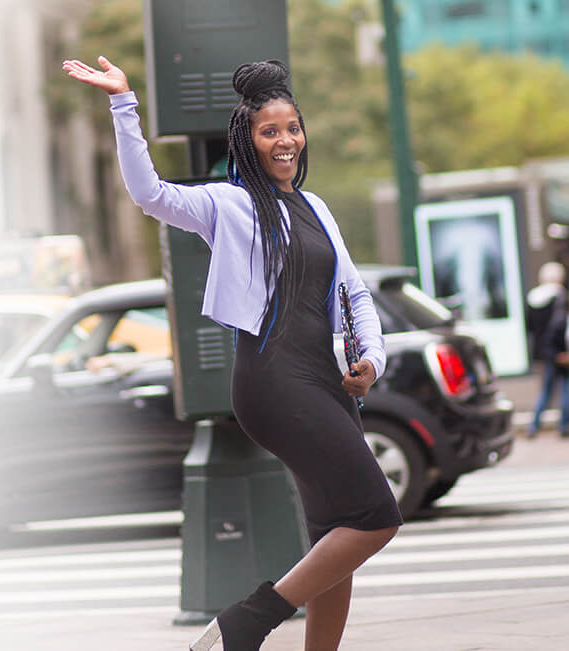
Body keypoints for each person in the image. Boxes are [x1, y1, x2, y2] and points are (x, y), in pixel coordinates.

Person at [63, 57, 399, 651]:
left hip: (326, 381)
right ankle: (244, 625)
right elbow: (149, 193)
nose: (285, 140)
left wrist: (372, 358)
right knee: (376, 517)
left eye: (292, 127)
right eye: (270, 131)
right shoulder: (228, 205)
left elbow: (354, 293)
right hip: (273, 381)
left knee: (333, 531)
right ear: (249, 141)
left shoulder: (317, 208)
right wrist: (124, 104)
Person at [526, 261, 569, 438]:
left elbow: (528, 327)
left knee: (546, 389)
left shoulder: (532, 298)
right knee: (565, 389)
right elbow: (560, 325)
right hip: (560, 349)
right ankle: (563, 425)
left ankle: (534, 425)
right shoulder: (560, 296)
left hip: (544, 350)